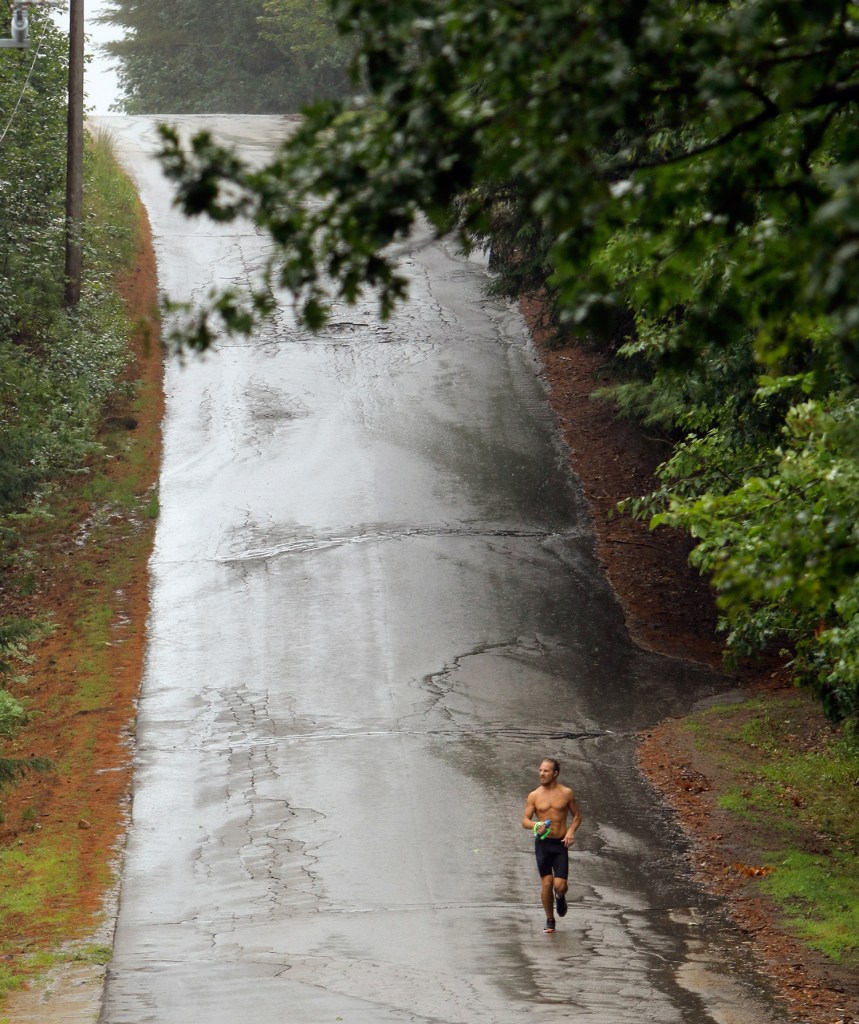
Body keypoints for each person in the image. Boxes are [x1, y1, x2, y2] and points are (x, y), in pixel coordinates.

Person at [521, 757, 582, 934]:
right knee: (547, 882)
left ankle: (560, 897)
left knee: (560, 885)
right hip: (542, 844)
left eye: (546, 770)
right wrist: (536, 825)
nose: (541, 773)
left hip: (560, 844)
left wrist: (571, 832)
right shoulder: (534, 795)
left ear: (555, 773)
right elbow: (525, 821)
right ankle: (550, 919)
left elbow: (577, 816)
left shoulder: (566, 793)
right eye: (540, 770)